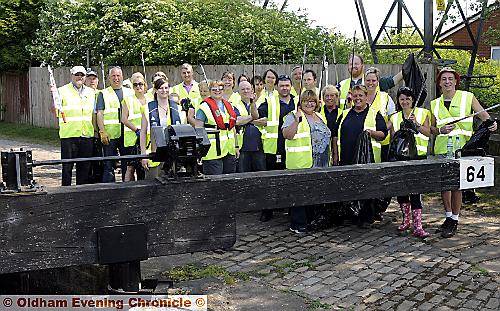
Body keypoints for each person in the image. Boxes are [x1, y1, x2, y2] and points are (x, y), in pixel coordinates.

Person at [430, 67, 497, 238]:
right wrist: (440, 129)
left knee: (457, 186)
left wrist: (491, 123)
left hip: (463, 149)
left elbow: (484, 116)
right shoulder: (434, 104)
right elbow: (431, 127)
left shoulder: (467, 97)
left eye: (450, 79)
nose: (447, 82)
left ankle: (454, 219)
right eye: (443, 79)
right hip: (442, 148)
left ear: (456, 81)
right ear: (439, 83)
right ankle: (447, 217)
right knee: (444, 186)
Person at [333, 85, 387, 227]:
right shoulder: (344, 114)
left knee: (366, 188)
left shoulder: (375, 114)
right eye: (355, 96)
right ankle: (350, 214)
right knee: (348, 187)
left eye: (360, 96)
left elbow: (383, 134)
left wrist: (371, 133)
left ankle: (366, 217)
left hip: (367, 160)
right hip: (346, 158)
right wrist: (335, 155)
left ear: (366, 97)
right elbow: (334, 136)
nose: (357, 98)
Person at [282, 90, 331, 234]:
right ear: (300, 103)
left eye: (312, 101)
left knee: (314, 194)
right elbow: (287, 135)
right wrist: (296, 121)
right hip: (301, 163)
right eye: (306, 101)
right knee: (300, 195)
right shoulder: (292, 116)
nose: (309, 104)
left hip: (320, 162)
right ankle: (298, 224)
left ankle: (311, 220)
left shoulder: (320, 116)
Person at [388, 87, 431, 237]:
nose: (405, 101)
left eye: (407, 98)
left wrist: (417, 124)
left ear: (413, 99)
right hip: (400, 159)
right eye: (402, 99)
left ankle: (418, 225)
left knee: (415, 191)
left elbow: (428, 133)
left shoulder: (423, 113)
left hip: (418, 157)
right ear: (398, 101)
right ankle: (406, 220)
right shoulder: (394, 117)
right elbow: (393, 139)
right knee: (402, 190)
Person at [257, 74, 297, 221]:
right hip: (274, 147)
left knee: (291, 180)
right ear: (276, 87)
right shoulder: (269, 101)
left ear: (291, 86)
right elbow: (257, 117)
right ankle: (267, 210)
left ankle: (290, 209)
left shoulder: (297, 101)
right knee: (271, 179)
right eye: (282, 85)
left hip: (293, 147)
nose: (285, 88)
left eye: (287, 85)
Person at [51, 66, 95, 186]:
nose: (79, 77)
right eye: (77, 74)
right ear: (71, 75)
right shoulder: (61, 91)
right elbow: (55, 111)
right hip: (69, 135)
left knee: (84, 168)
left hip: (86, 135)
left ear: (85, 77)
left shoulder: (91, 93)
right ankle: (65, 192)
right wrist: (54, 97)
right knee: (67, 168)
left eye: (82, 75)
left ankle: (81, 194)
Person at [96, 66, 134, 182]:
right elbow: (99, 114)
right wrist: (102, 131)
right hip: (110, 134)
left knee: (127, 164)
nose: (116, 78)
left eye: (118, 76)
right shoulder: (103, 93)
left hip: (127, 134)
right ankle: (109, 188)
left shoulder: (130, 92)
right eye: (113, 76)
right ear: (109, 78)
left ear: (122, 77)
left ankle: (126, 187)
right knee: (109, 164)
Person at [140, 78, 183, 179]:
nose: (164, 90)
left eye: (166, 88)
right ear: (155, 90)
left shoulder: (177, 108)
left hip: (173, 154)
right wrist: (143, 155)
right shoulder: (147, 108)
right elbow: (143, 133)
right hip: (154, 153)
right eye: (161, 88)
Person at [193, 80, 238, 175]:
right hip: (212, 153)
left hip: (229, 151)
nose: (217, 91)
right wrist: (199, 151)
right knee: (214, 184)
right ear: (210, 91)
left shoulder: (228, 106)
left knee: (230, 181)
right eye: (214, 89)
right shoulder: (203, 108)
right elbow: (198, 129)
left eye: (220, 89)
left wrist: (236, 146)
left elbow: (232, 127)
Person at [338, 54, 403, 102]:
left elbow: (394, 80)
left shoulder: (372, 82)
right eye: (351, 64)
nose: (353, 66)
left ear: (362, 66)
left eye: (356, 64)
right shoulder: (341, 84)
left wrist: (407, 68)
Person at [232, 81, 264, 172]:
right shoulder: (234, 105)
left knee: (261, 174)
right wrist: (253, 118)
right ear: (238, 92)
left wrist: (247, 120)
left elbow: (265, 121)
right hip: (243, 147)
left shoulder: (260, 103)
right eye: (242, 89)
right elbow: (237, 121)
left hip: (259, 145)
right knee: (243, 175)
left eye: (247, 89)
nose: (245, 91)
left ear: (252, 90)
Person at [121, 73, 147, 181]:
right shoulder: (127, 100)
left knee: (143, 168)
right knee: (130, 168)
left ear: (145, 85)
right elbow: (124, 119)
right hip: (132, 138)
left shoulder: (150, 98)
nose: (138, 86)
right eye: (135, 84)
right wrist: (137, 130)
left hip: (146, 139)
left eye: (140, 84)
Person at [365, 67, 395, 162]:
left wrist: (384, 129)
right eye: (368, 80)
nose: (370, 83)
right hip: (364, 141)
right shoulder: (359, 97)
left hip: (383, 142)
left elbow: (393, 118)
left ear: (378, 81)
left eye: (373, 80)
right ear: (364, 81)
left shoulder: (385, 97)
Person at [85, 69, 103, 183]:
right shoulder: (82, 94)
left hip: (99, 134)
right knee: (87, 163)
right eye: (89, 78)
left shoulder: (101, 94)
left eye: (94, 78)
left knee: (99, 162)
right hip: (86, 133)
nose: (92, 81)